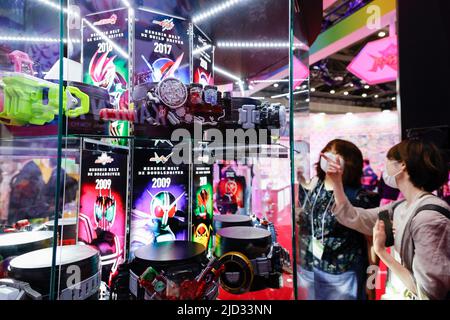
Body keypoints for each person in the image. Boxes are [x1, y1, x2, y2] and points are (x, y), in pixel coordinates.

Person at [324, 139, 450, 300]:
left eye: (389, 160)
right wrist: (336, 182)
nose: (385, 166)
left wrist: (382, 252)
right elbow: (354, 217)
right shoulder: (401, 207)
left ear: (402, 165)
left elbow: (429, 290)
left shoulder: (429, 218)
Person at [297, 139, 379, 300]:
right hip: (309, 270)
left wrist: (371, 282)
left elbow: (372, 243)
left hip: (343, 274)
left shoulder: (358, 197)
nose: (329, 158)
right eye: (327, 152)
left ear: (349, 163)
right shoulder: (314, 186)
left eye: (336, 155)